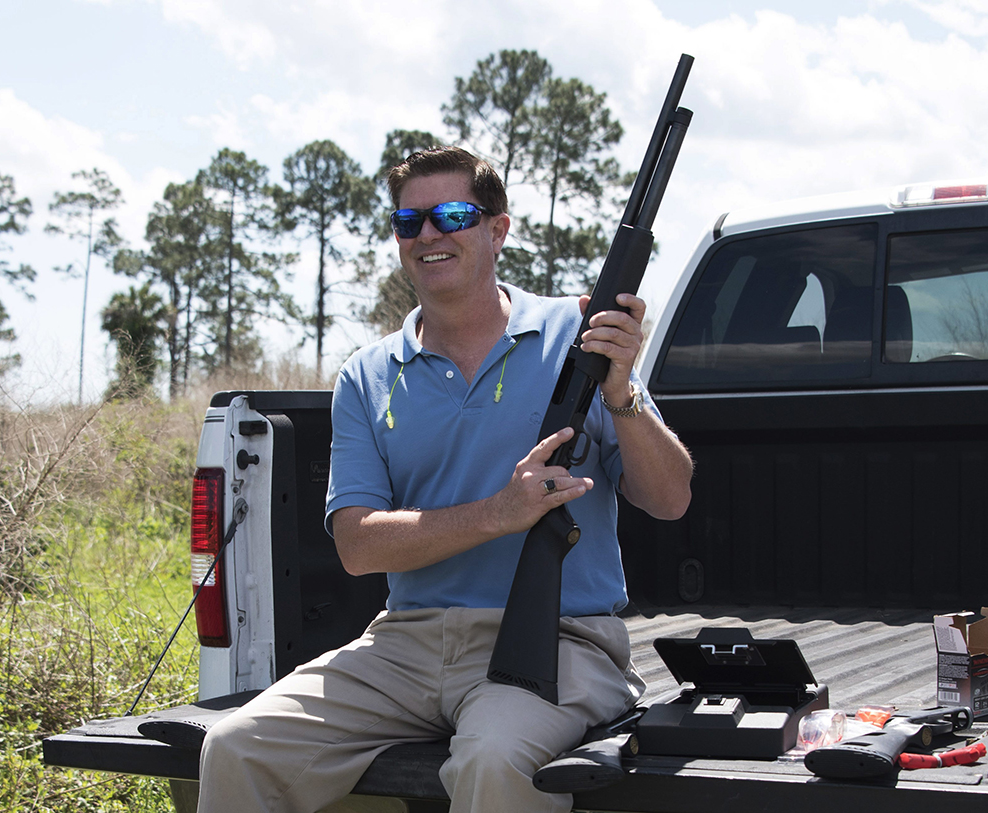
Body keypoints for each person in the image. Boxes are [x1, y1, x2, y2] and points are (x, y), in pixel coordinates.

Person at [196, 146, 693, 813]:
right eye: (410, 222)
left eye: (452, 214)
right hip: (405, 642)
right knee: (235, 746)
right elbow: (358, 544)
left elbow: (669, 497)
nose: (429, 234)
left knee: (495, 760)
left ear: (497, 230)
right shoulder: (368, 375)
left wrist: (621, 392)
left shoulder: (579, 340)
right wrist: (498, 512)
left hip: (560, 640)